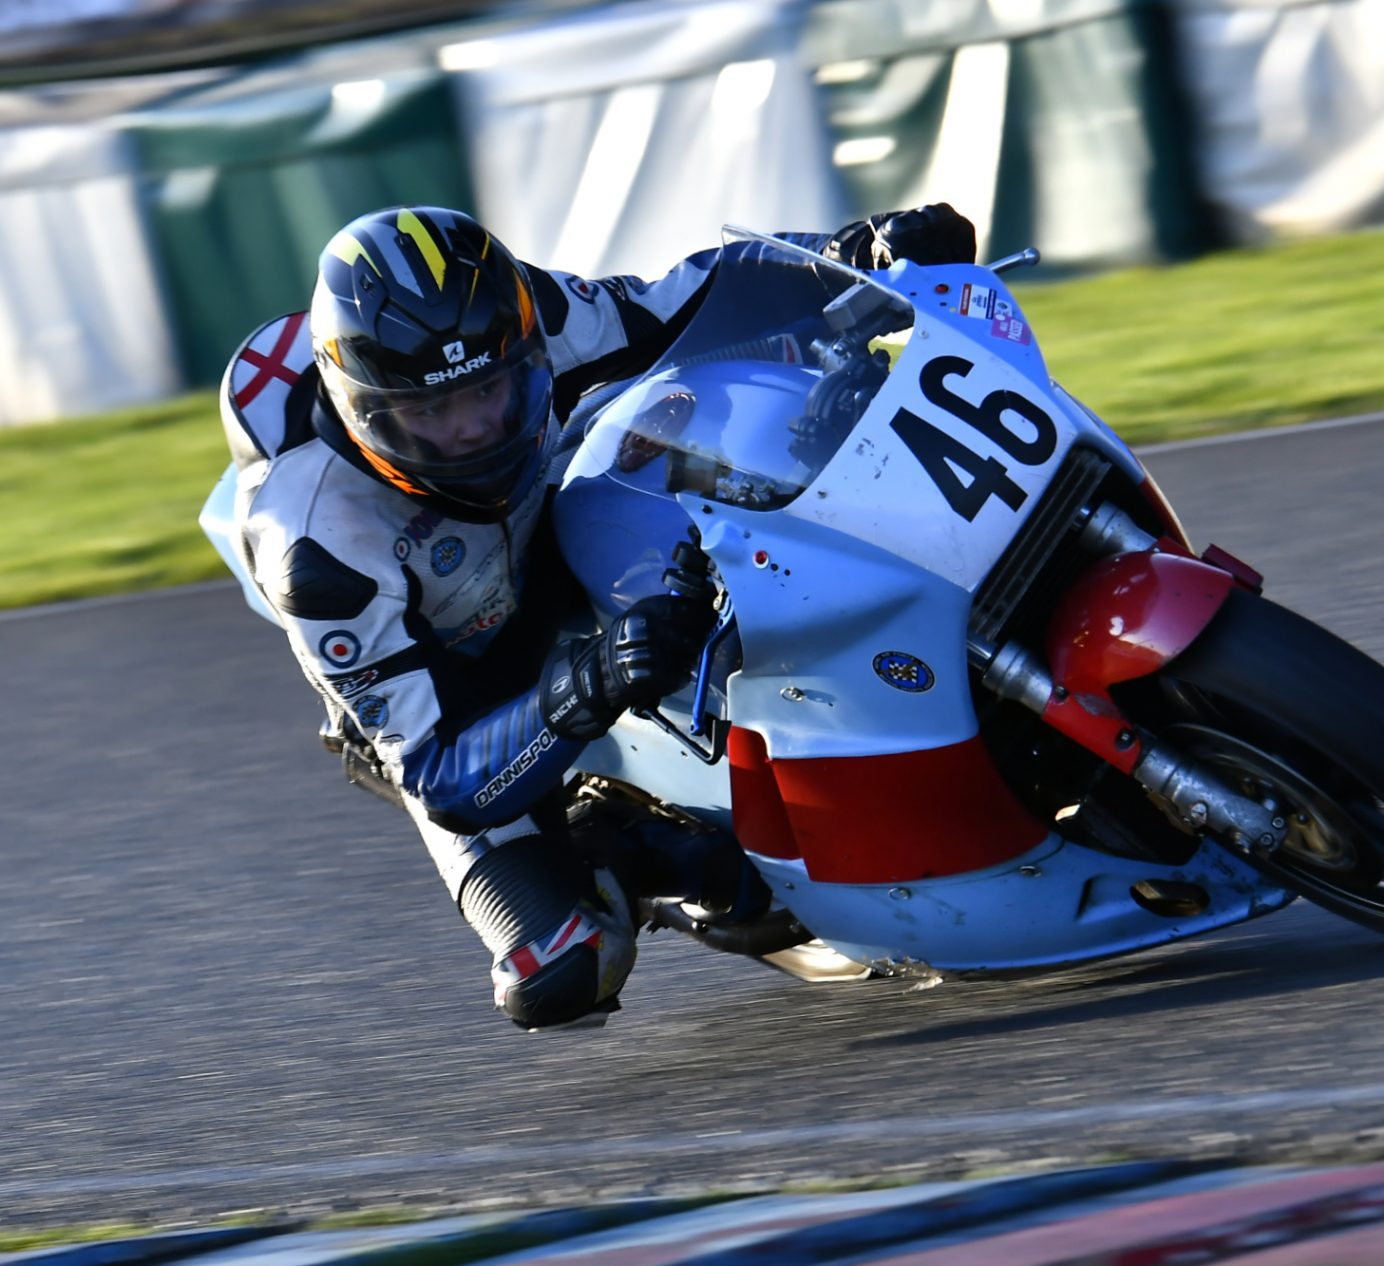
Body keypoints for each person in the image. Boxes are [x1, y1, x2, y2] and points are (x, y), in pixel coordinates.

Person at [218, 203, 977, 1030]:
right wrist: (595, 678)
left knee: (691, 437)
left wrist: (851, 252)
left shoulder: (530, 313)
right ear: (366, 411)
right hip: (456, 690)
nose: (474, 429)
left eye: (492, 389)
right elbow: (443, 778)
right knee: (562, 971)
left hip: (547, 530)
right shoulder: (318, 548)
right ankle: (644, 850)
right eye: (430, 415)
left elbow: (683, 301)